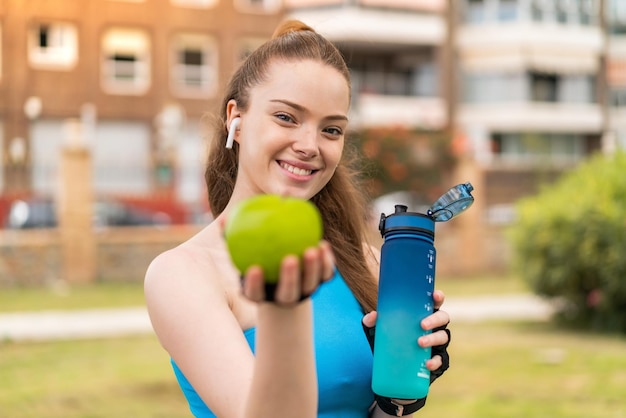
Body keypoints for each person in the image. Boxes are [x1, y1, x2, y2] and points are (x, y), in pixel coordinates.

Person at [144, 19, 451, 418]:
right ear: (236, 118)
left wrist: (400, 398)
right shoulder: (182, 274)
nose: (309, 146)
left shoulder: (362, 260)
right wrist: (285, 308)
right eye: (287, 117)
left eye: (331, 129)